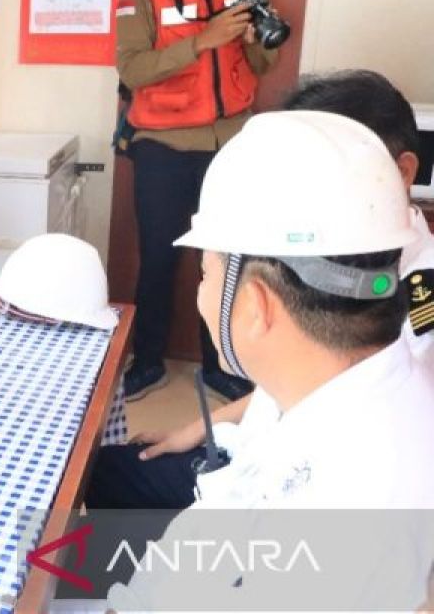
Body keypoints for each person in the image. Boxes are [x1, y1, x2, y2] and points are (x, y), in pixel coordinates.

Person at [102, 110, 434, 610]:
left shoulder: (342, 512)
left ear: (256, 306)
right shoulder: (342, 388)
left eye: (206, 275)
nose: (201, 294)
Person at [116, 0, 280, 402]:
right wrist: (202, 41)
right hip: (162, 144)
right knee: (160, 258)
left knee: (227, 260)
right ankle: (146, 362)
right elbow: (133, 68)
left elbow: (262, 63)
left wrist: (258, 41)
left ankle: (220, 365)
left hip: (230, 144)